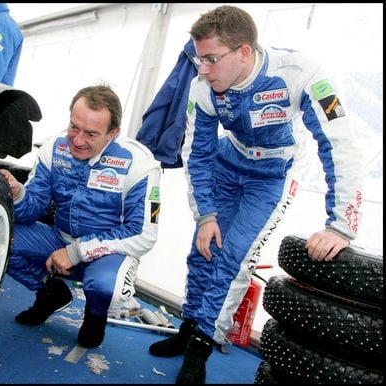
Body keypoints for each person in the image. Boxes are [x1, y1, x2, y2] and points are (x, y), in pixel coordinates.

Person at [145, 5, 363, 384]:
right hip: (229, 165)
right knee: (203, 249)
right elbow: (196, 154)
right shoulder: (203, 86)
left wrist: (341, 225)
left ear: (244, 52)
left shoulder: (301, 74)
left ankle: (203, 343)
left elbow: (340, 144)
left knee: (233, 259)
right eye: (199, 59)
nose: (203, 69)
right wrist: (206, 216)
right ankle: (189, 325)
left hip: (273, 176)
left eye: (212, 59)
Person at [0, 85, 162, 348]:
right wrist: (17, 194)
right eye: (74, 127)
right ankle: (50, 293)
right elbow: (33, 209)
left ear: (113, 133)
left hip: (107, 253)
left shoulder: (140, 164)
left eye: (91, 134)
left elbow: (143, 233)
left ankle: (95, 316)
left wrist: (76, 252)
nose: (78, 140)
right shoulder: (54, 147)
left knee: (110, 287)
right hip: (57, 238)